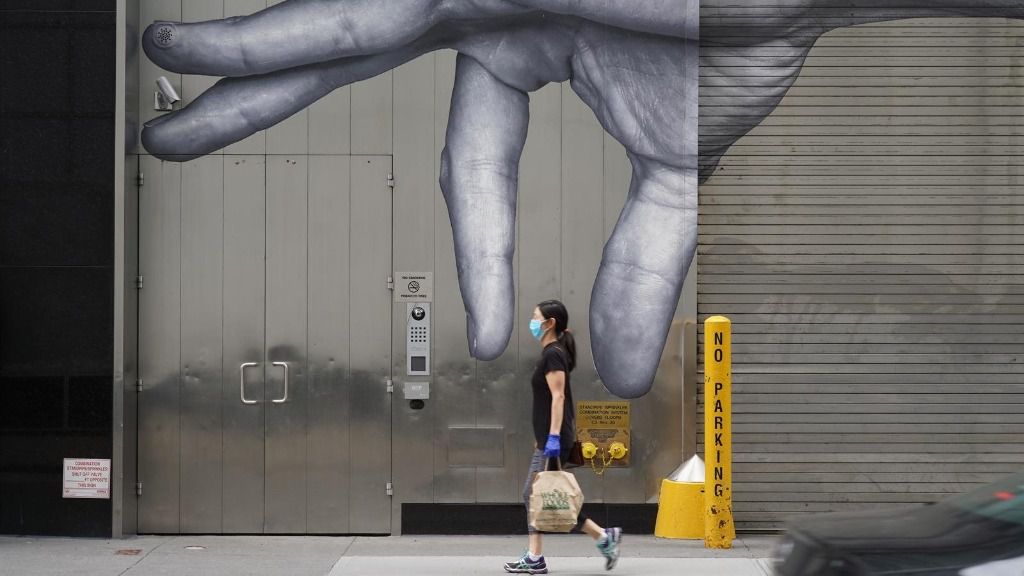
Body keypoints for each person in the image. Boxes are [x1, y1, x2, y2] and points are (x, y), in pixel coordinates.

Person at [504, 299, 622, 574]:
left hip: (555, 439)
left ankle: (537, 557)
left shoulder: (553, 354)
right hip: (548, 438)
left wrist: (554, 438)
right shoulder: (551, 353)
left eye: (536, 317)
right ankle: (604, 538)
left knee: (536, 493)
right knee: (548, 494)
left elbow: (559, 397)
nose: (532, 322)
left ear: (550, 323)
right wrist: (543, 437)